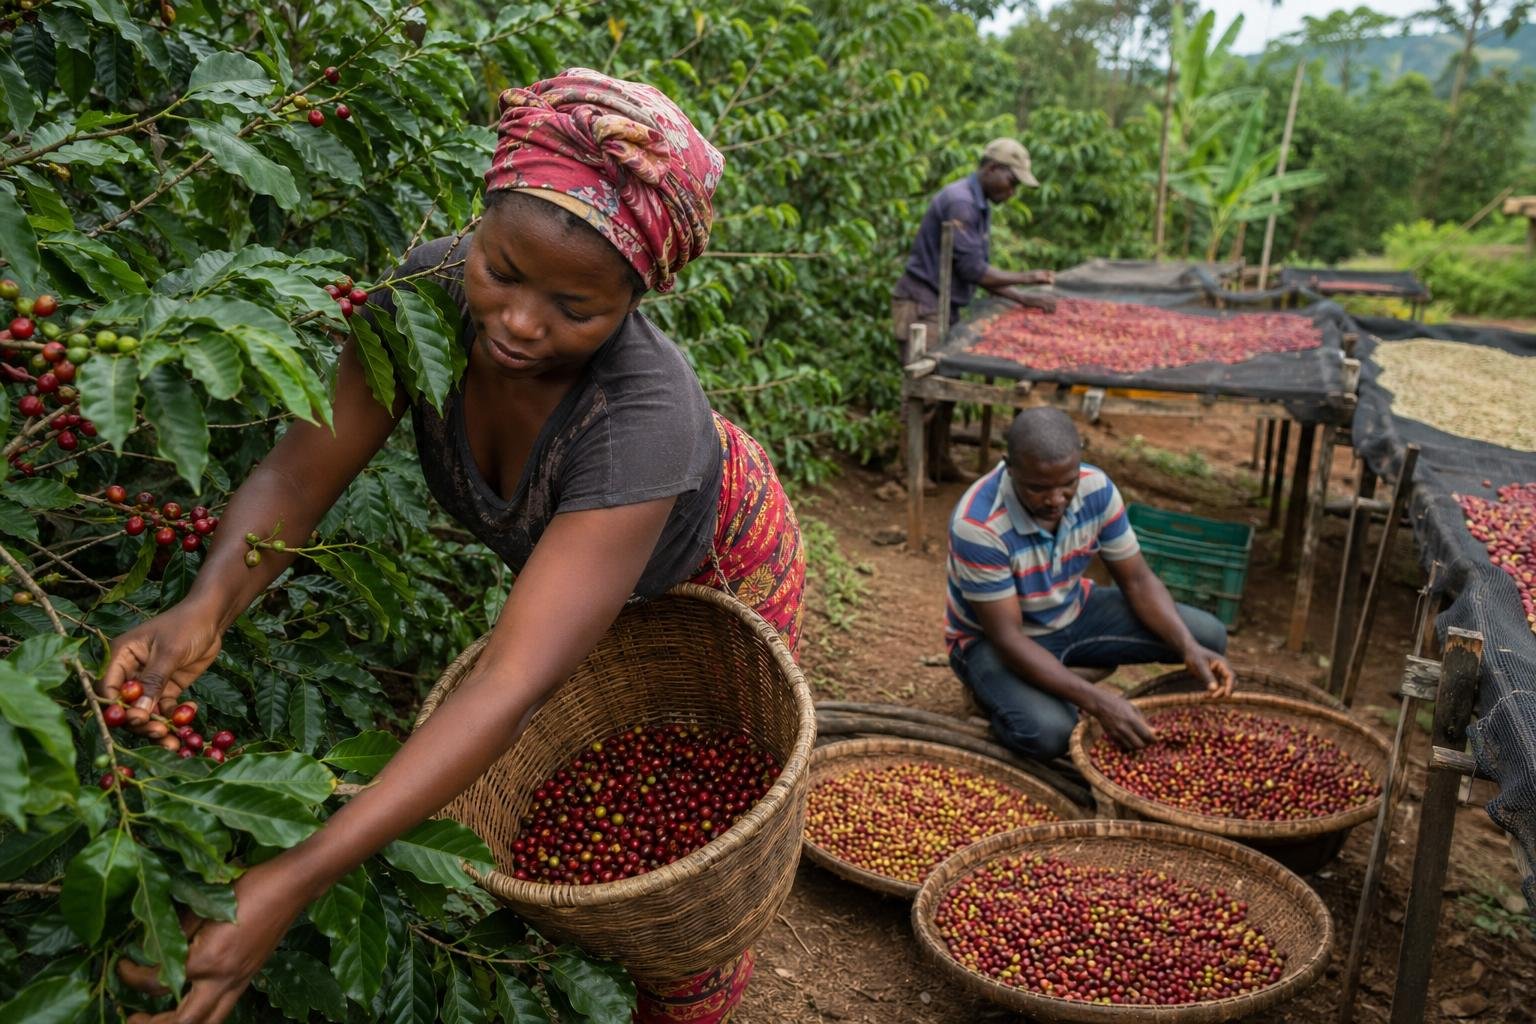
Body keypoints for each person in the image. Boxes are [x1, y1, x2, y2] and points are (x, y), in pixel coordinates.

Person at [104, 68, 804, 1024]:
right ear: (477, 223)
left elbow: (511, 682)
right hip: (587, 569)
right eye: (503, 272)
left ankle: (687, 996)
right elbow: (299, 478)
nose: (519, 322)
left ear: (636, 302)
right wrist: (208, 605)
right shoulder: (421, 298)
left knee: (690, 853)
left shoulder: (643, 417)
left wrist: (293, 879)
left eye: (575, 309)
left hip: (725, 556)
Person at [945, 408, 1234, 761]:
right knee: (1051, 734)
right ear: (1010, 466)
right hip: (994, 642)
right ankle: (995, 698)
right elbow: (1009, 638)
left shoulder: (1097, 489)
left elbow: (1139, 580)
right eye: (1037, 488)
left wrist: (1188, 647)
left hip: (1071, 611)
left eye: (1067, 484)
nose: (1055, 500)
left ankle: (1152, 722)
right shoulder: (979, 525)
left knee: (1206, 637)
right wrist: (1098, 702)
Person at [892, 138, 1058, 483]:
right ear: (993, 169)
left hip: (943, 306)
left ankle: (938, 463)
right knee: (925, 392)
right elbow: (975, 271)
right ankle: (908, 474)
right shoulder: (962, 203)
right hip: (923, 306)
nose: (1012, 192)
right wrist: (1030, 279)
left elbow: (977, 270)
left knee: (946, 391)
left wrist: (1024, 298)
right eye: (1011, 182)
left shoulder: (978, 205)